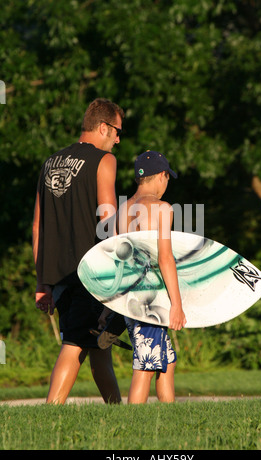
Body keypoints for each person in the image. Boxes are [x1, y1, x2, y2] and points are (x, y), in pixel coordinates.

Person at [32, 98, 125, 404]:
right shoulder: (103, 160)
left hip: (58, 273)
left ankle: (120, 413)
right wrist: (120, 269)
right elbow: (107, 218)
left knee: (99, 349)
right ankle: (50, 414)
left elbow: (38, 226)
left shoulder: (50, 162)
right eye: (116, 131)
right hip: (91, 271)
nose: (118, 139)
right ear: (103, 127)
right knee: (75, 344)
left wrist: (42, 282)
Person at [117, 150, 187, 404]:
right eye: (168, 179)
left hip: (127, 296)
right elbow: (165, 258)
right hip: (151, 298)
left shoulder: (123, 210)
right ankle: (133, 426)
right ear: (161, 176)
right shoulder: (161, 208)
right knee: (145, 365)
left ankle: (169, 418)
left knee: (166, 362)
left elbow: (119, 258)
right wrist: (177, 305)